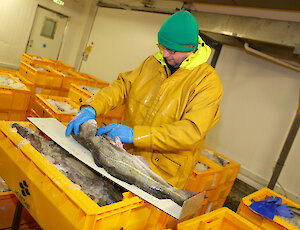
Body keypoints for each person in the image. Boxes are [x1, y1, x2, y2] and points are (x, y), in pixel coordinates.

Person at [65, 10, 223, 189]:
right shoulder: (152, 63)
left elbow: (191, 131)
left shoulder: (207, 82)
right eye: (161, 47)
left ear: (189, 48)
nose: (164, 54)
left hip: (161, 175)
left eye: (171, 50)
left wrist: (135, 135)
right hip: (125, 157)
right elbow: (123, 87)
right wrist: (91, 107)